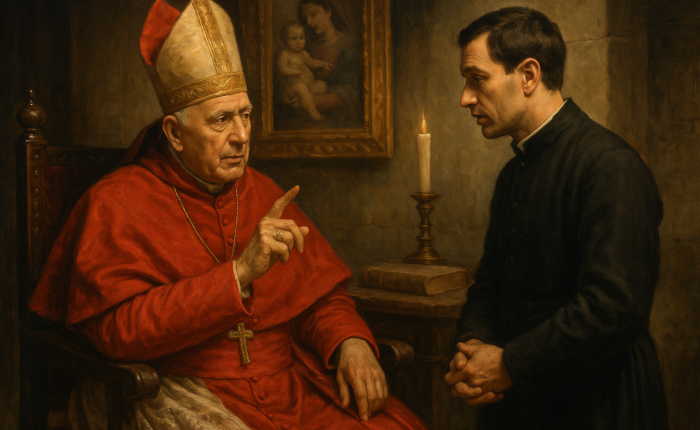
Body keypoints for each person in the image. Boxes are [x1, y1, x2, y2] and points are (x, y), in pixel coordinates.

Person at [28, 1, 427, 429]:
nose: (240, 136)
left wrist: (351, 342)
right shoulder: (115, 202)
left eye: (245, 115)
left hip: (292, 389)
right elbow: (116, 332)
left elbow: (320, 296)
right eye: (220, 120)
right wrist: (237, 275)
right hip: (184, 390)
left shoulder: (263, 191)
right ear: (174, 133)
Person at [444, 7, 668, 430]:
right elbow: (489, 285)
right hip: (516, 401)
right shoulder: (512, 174)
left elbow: (613, 308)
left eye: (477, 79)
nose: (466, 98)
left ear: (528, 75)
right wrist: (472, 346)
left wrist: (509, 364)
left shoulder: (610, 165)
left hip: (598, 401)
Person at [296, 0, 362, 128]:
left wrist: (315, 101)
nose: (309, 22)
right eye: (305, 18)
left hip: (340, 121)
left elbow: (351, 91)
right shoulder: (308, 48)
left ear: (328, 11)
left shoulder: (349, 45)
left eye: (313, 14)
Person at [276, 22, 333, 121]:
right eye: (294, 39)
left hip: (308, 86)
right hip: (292, 86)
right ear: (286, 41)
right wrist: (296, 71)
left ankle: (302, 100)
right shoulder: (285, 54)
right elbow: (282, 68)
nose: (298, 42)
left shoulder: (303, 54)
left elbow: (312, 63)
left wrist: (323, 64)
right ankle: (314, 113)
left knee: (321, 84)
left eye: (301, 38)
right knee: (301, 87)